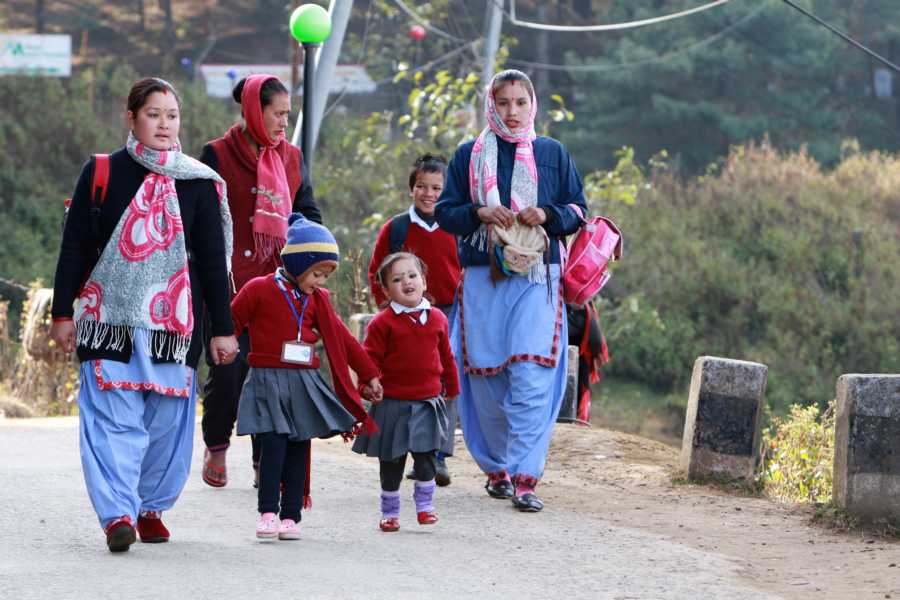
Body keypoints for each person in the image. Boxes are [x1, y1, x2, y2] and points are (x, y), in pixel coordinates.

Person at [49, 77, 239, 552]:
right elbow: (74, 247)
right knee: (112, 420)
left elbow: (213, 263)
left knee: (166, 420)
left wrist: (224, 329)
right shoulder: (103, 172)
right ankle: (117, 514)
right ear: (131, 117)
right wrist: (61, 312)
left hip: (175, 326)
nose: (163, 124)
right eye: (153, 114)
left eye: (171, 116)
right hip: (107, 316)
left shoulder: (196, 182)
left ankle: (150, 506)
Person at [434, 69, 587, 512]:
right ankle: (496, 468)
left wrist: (547, 214)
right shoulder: (468, 155)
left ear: (532, 104)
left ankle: (525, 477)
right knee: (486, 377)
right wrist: (481, 212)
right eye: (503, 103)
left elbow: (578, 209)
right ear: (491, 105)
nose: (513, 112)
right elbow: (446, 213)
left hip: (539, 279)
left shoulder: (553, 153)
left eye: (521, 102)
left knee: (530, 373)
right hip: (484, 278)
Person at [199, 74, 322, 489]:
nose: (285, 122)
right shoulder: (215, 154)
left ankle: (263, 461)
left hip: (277, 287)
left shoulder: (291, 158)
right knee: (229, 369)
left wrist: (302, 238)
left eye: (288, 114)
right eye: (278, 113)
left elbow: (308, 211)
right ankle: (217, 443)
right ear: (254, 110)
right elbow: (202, 218)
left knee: (270, 372)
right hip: (227, 284)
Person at [232, 215, 381, 540]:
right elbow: (231, 320)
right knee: (272, 444)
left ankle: (291, 517)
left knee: (299, 446)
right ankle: (268, 513)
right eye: (317, 273)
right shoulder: (258, 289)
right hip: (267, 379)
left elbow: (345, 341)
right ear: (298, 264)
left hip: (303, 382)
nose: (321, 282)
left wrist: (369, 375)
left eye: (326, 276)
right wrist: (225, 342)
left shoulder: (318, 301)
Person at [366, 154, 461, 486]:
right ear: (411, 189)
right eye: (422, 186)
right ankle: (405, 447)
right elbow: (376, 269)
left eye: (437, 187)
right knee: (407, 384)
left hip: (447, 313)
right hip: (402, 317)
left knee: (441, 381)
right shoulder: (397, 228)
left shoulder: (456, 226)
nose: (429, 193)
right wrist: (387, 309)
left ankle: (437, 455)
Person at [353, 252, 459, 531]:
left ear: (424, 281)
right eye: (397, 280)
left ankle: (425, 507)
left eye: (412, 276)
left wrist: (452, 386)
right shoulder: (382, 323)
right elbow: (369, 359)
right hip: (393, 404)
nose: (407, 282)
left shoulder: (437, 318)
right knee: (392, 461)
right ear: (386, 291)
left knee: (426, 459)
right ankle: (390, 512)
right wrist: (367, 384)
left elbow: (446, 356)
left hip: (427, 403)